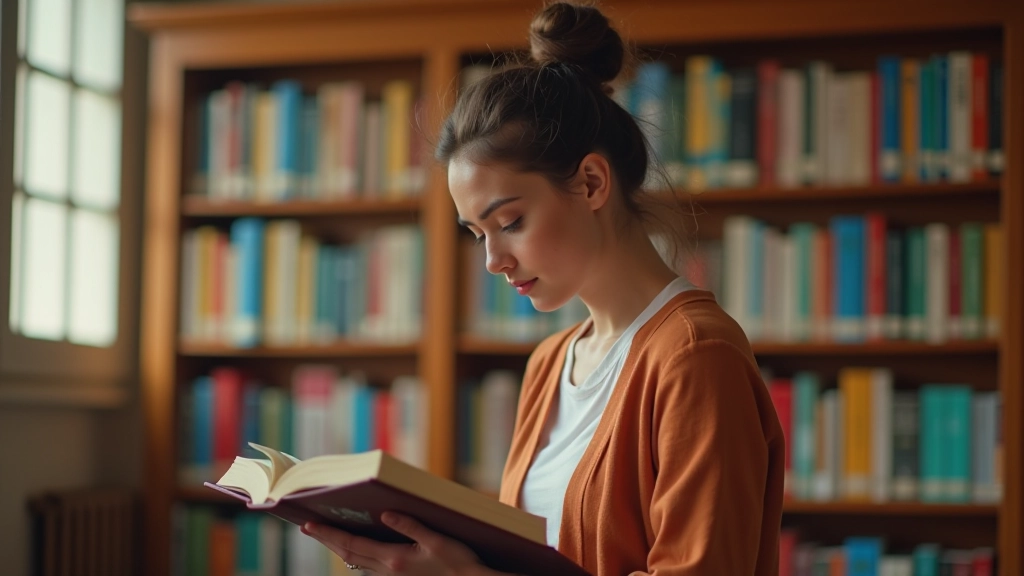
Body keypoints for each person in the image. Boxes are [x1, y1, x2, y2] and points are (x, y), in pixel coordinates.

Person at [301, 2, 785, 575]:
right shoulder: (550, 363)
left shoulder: (695, 358)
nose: (492, 260)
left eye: (509, 223)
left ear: (591, 182)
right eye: (477, 234)